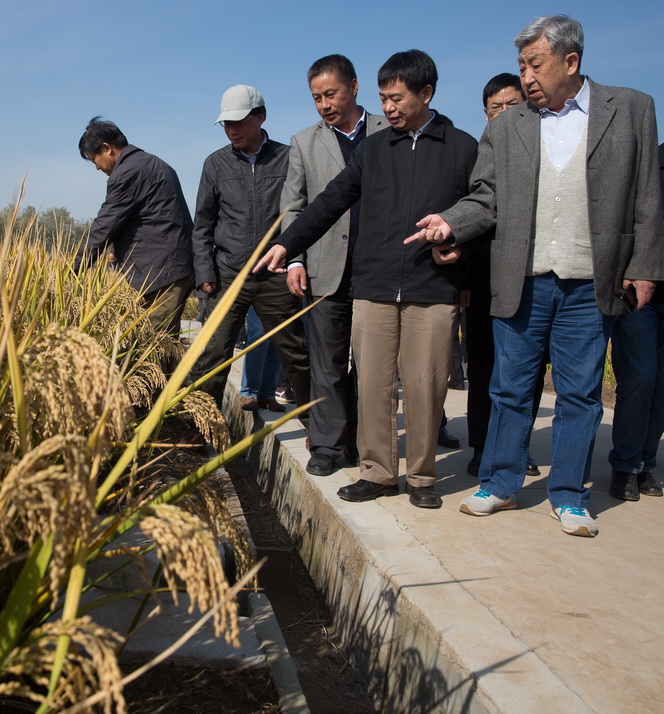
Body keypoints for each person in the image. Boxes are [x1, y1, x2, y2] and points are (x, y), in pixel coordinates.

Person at [407, 15, 664, 537]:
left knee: (581, 395)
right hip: (523, 281)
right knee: (509, 389)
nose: (525, 76)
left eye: (535, 64)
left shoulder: (632, 109)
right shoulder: (508, 126)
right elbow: (486, 198)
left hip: (591, 284)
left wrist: (645, 268)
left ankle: (568, 494)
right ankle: (500, 484)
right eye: (521, 65)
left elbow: (647, 199)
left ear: (571, 61)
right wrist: (450, 223)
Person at [255, 50, 478, 509]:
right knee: (372, 383)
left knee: (425, 384)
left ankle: (421, 476)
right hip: (373, 285)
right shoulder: (375, 150)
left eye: (397, 98)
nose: (389, 108)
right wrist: (289, 245)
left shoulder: (462, 147)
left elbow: (481, 208)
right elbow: (327, 202)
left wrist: (460, 242)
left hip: (432, 286)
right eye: (384, 98)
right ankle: (377, 473)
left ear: (426, 93)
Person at [279, 54, 389, 477]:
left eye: (331, 94)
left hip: (377, 266)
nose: (324, 104)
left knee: (371, 364)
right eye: (316, 98)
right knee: (326, 361)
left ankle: (363, 441)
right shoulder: (304, 142)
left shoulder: (388, 131)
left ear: (354, 87)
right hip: (325, 268)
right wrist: (294, 259)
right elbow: (294, 208)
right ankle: (326, 444)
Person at [191, 85, 310, 410]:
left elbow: (301, 216)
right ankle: (201, 430)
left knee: (295, 353)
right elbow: (202, 225)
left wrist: (295, 261)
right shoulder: (215, 165)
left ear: (260, 117)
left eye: (239, 122)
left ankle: (318, 431)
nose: (232, 130)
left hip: (275, 275)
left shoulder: (288, 158)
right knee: (214, 353)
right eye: (226, 124)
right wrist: (205, 272)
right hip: (228, 276)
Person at [463, 73, 543, 478]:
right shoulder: (475, 152)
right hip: (480, 282)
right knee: (482, 367)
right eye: (497, 107)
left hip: (528, 281)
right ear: (486, 112)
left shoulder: (537, 151)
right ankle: (481, 447)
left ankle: (516, 447)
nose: (506, 113)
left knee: (526, 371)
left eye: (514, 105)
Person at [75, 117, 195, 335]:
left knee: (154, 346)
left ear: (107, 149)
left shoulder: (129, 172)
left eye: (95, 160)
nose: (96, 168)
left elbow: (105, 226)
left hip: (159, 274)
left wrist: (74, 268)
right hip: (173, 267)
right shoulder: (153, 162)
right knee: (167, 343)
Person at [607, 141, 664, 502]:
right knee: (639, 379)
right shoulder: (651, 165)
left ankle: (646, 460)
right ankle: (625, 465)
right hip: (641, 294)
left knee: (661, 387)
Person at [239, 307, 285, 412]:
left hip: (283, 296)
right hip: (259, 293)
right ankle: (248, 393)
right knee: (258, 336)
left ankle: (267, 395)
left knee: (277, 341)